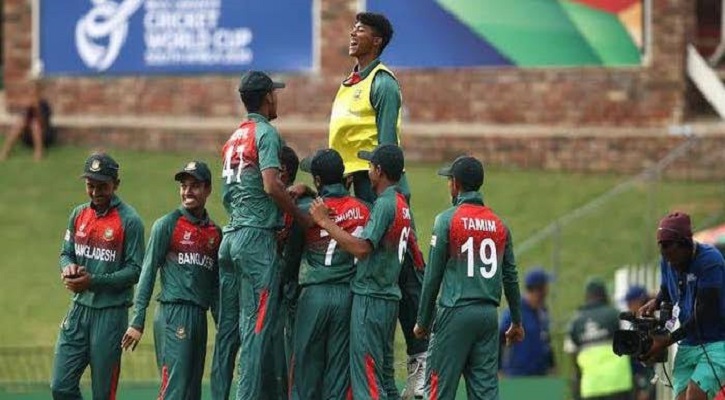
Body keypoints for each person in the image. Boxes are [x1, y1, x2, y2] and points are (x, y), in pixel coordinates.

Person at [329, 12, 427, 397]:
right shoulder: (349, 82)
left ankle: (421, 358)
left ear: (378, 41)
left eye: (362, 30)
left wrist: (390, 195)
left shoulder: (383, 83)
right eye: (353, 27)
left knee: (404, 270)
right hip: (357, 183)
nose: (353, 33)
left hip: (381, 185)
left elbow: (388, 149)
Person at [214, 70, 310, 400]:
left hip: (230, 237)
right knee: (256, 332)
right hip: (255, 240)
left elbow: (238, 190)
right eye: (275, 94)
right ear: (268, 97)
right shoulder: (267, 133)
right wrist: (299, 215)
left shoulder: (233, 137)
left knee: (229, 334)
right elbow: (270, 184)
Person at [309, 144, 423, 400]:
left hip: (371, 298)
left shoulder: (384, 204)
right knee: (386, 380)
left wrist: (325, 222)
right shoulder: (402, 204)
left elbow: (362, 249)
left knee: (367, 380)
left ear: (379, 171)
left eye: (370, 166)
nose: (368, 171)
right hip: (389, 298)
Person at [413, 155, 524, 399]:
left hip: (455, 312)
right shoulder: (500, 225)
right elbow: (510, 277)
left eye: (449, 180)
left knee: (437, 391)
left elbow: (432, 276)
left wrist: (423, 320)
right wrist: (516, 321)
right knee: (485, 393)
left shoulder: (446, 220)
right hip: (487, 317)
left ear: (455, 184)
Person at [121, 160, 221, 399]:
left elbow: (214, 287)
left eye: (195, 186)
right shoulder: (167, 225)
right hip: (173, 314)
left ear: (208, 189)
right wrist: (137, 320)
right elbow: (147, 273)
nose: (187, 191)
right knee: (174, 390)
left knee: (192, 392)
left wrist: (222, 324)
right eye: (184, 186)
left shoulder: (215, 233)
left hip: (199, 317)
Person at [51, 153, 145, 399]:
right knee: (60, 386)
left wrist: (92, 281)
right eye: (90, 186)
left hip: (110, 315)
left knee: (103, 393)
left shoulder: (130, 221)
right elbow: (66, 253)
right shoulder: (78, 214)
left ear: (116, 184)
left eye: (102, 186)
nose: (95, 192)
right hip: (78, 311)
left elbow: (135, 271)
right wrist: (68, 268)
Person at [286, 148, 370, 399]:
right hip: (347, 297)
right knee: (338, 376)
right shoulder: (364, 208)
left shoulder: (306, 209)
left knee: (304, 374)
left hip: (314, 296)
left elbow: (291, 259)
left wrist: (288, 293)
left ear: (318, 180)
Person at [638, 212, 725, 400]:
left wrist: (668, 339)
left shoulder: (710, 262)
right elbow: (667, 288)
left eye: (673, 257)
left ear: (686, 244)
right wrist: (657, 302)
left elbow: (704, 313)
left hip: (717, 342)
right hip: (688, 344)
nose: (671, 264)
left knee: (695, 395)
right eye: (666, 257)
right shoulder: (667, 260)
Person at [564, 278, 633, 400]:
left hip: (591, 387)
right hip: (619, 384)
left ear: (586, 296)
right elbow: (632, 345)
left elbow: (571, 354)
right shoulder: (616, 315)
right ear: (604, 295)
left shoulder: (575, 322)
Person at [499, 267, 554, 377]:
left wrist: (552, 366)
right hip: (518, 376)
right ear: (537, 290)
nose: (547, 291)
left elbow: (546, 340)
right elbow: (498, 339)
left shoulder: (543, 311)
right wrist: (498, 369)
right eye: (545, 287)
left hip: (541, 375)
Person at [0, 81, 55, 161]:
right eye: (30, 91)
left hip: (44, 138)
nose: (31, 94)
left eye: (34, 92)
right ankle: (5, 151)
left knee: (35, 124)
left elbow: (43, 124)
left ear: (39, 93)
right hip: (28, 138)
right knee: (20, 122)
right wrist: (22, 106)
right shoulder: (26, 105)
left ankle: (39, 152)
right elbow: (19, 116)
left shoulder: (44, 104)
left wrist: (36, 108)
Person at [623, 286, 656, 400]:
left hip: (646, 385)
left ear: (640, 302)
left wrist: (645, 388)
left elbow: (651, 364)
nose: (628, 307)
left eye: (630, 303)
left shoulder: (648, 327)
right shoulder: (637, 325)